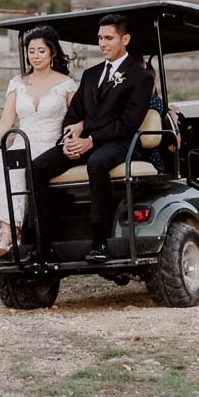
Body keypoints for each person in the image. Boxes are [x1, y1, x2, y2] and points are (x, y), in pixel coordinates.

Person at [29, 14, 153, 263]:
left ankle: (100, 242)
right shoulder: (91, 74)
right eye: (100, 38)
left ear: (125, 39)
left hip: (120, 143)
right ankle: (44, 245)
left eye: (109, 38)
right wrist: (70, 136)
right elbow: (74, 114)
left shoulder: (140, 77)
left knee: (96, 163)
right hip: (86, 142)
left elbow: (128, 124)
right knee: (37, 168)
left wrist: (91, 140)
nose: (103, 43)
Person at [0, 26, 75, 256]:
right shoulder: (17, 82)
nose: (35, 55)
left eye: (41, 50)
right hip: (22, 142)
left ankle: (8, 235)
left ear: (52, 52)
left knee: (21, 170)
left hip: (50, 145)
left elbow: (75, 121)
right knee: (3, 165)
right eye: (31, 51)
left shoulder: (66, 84)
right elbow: (5, 123)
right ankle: (9, 232)